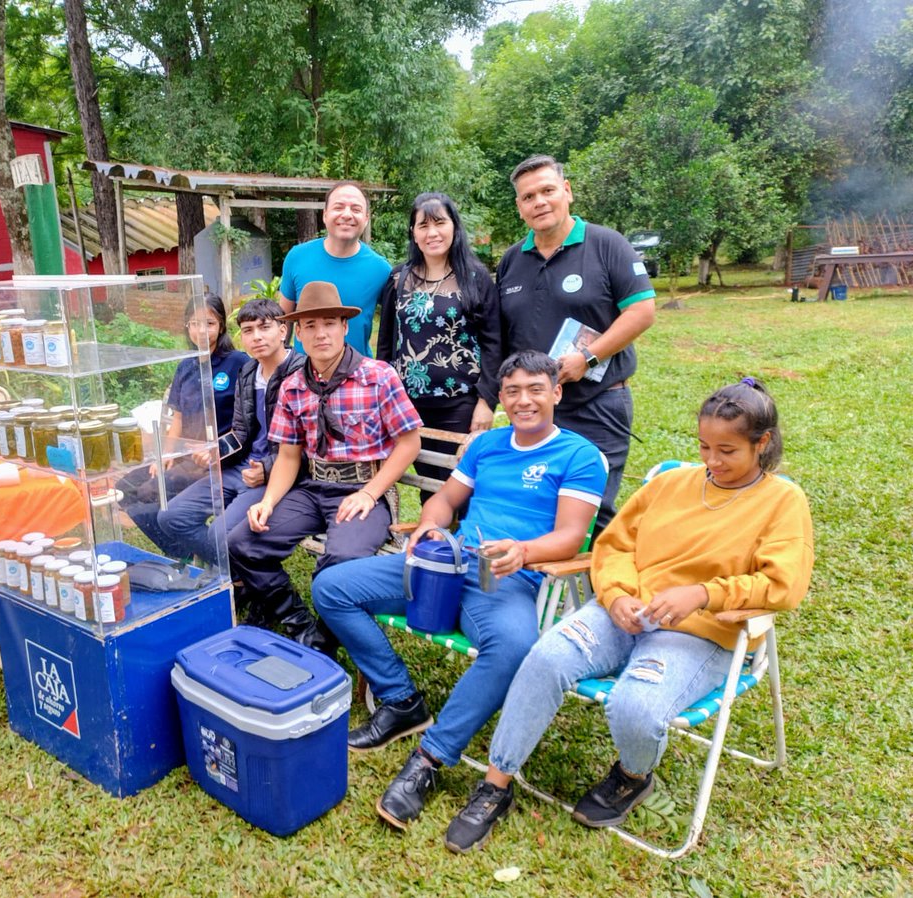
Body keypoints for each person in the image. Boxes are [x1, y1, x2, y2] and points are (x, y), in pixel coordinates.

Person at [442, 379, 814, 854]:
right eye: (703, 447)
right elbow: (614, 544)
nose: (712, 461)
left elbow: (783, 584)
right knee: (545, 658)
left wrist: (701, 594)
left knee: (634, 708)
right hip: (624, 611)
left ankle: (633, 775)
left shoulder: (782, 502)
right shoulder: (670, 484)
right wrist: (615, 594)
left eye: (728, 451)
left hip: (703, 632)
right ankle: (496, 784)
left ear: (762, 444)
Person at [313, 350, 607, 831]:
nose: (523, 400)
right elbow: (448, 500)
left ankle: (430, 759)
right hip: (446, 564)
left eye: (536, 389)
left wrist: (525, 551)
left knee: (513, 646)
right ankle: (402, 701)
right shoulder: (487, 446)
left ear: (557, 392)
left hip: (504, 577)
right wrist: (429, 527)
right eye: (512, 391)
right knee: (331, 588)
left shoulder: (577, 456)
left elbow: (571, 536)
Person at [227, 281, 422, 652]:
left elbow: (409, 443)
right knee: (242, 542)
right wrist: (268, 501)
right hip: (312, 488)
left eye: (329, 323)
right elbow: (288, 455)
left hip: (362, 490)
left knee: (341, 562)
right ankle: (297, 621)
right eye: (311, 326)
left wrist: (369, 493)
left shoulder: (377, 376)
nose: (321, 334)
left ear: (345, 327)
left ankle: (325, 637)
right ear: (297, 333)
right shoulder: (293, 387)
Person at [497, 154, 656, 534]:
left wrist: (588, 357)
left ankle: (598, 591)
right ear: (519, 208)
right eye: (528, 196)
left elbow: (642, 311)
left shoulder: (606, 245)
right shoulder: (511, 260)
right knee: (537, 504)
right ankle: (540, 593)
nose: (539, 202)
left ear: (566, 191)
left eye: (548, 190)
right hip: (535, 407)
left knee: (590, 510)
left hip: (597, 403)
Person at [155, 298, 305, 566]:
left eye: (264, 328)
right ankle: (234, 571)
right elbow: (240, 430)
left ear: (283, 330)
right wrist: (215, 450)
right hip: (238, 468)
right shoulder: (248, 372)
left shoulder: (302, 373)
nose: (256, 337)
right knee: (171, 517)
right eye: (248, 331)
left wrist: (267, 469)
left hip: (274, 474)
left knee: (218, 533)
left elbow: (311, 443)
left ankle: (238, 575)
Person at [377, 192, 501, 502]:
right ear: (413, 233)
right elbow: (386, 344)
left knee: (461, 484)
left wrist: (487, 401)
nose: (432, 232)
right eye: (423, 225)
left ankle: (463, 545)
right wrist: (385, 396)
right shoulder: (398, 278)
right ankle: (434, 545)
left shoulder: (475, 277)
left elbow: (494, 343)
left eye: (440, 223)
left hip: (460, 403)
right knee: (428, 486)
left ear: (455, 227)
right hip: (408, 405)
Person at [124, 294, 247, 554]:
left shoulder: (238, 363)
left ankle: (214, 558)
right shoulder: (186, 367)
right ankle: (180, 549)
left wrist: (214, 452)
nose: (201, 330)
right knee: (126, 487)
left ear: (222, 326)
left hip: (220, 460)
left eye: (209, 323)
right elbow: (177, 417)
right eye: (194, 323)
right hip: (186, 456)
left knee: (148, 493)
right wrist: (166, 455)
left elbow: (246, 421)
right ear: (187, 326)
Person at [279, 181, 390, 356]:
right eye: (338, 207)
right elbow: (283, 319)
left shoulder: (381, 269)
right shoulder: (297, 257)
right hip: (304, 372)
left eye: (356, 209)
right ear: (325, 215)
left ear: (367, 218)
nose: (347, 215)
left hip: (358, 375)